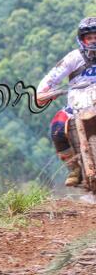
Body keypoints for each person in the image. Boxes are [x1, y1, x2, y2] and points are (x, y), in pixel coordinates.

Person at [37, 17, 96, 187]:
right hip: (77, 103)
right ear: (82, 40)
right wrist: (43, 92)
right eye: (89, 38)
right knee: (57, 128)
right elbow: (51, 77)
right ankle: (74, 167)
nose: (93, 41)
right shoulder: (73, 58)